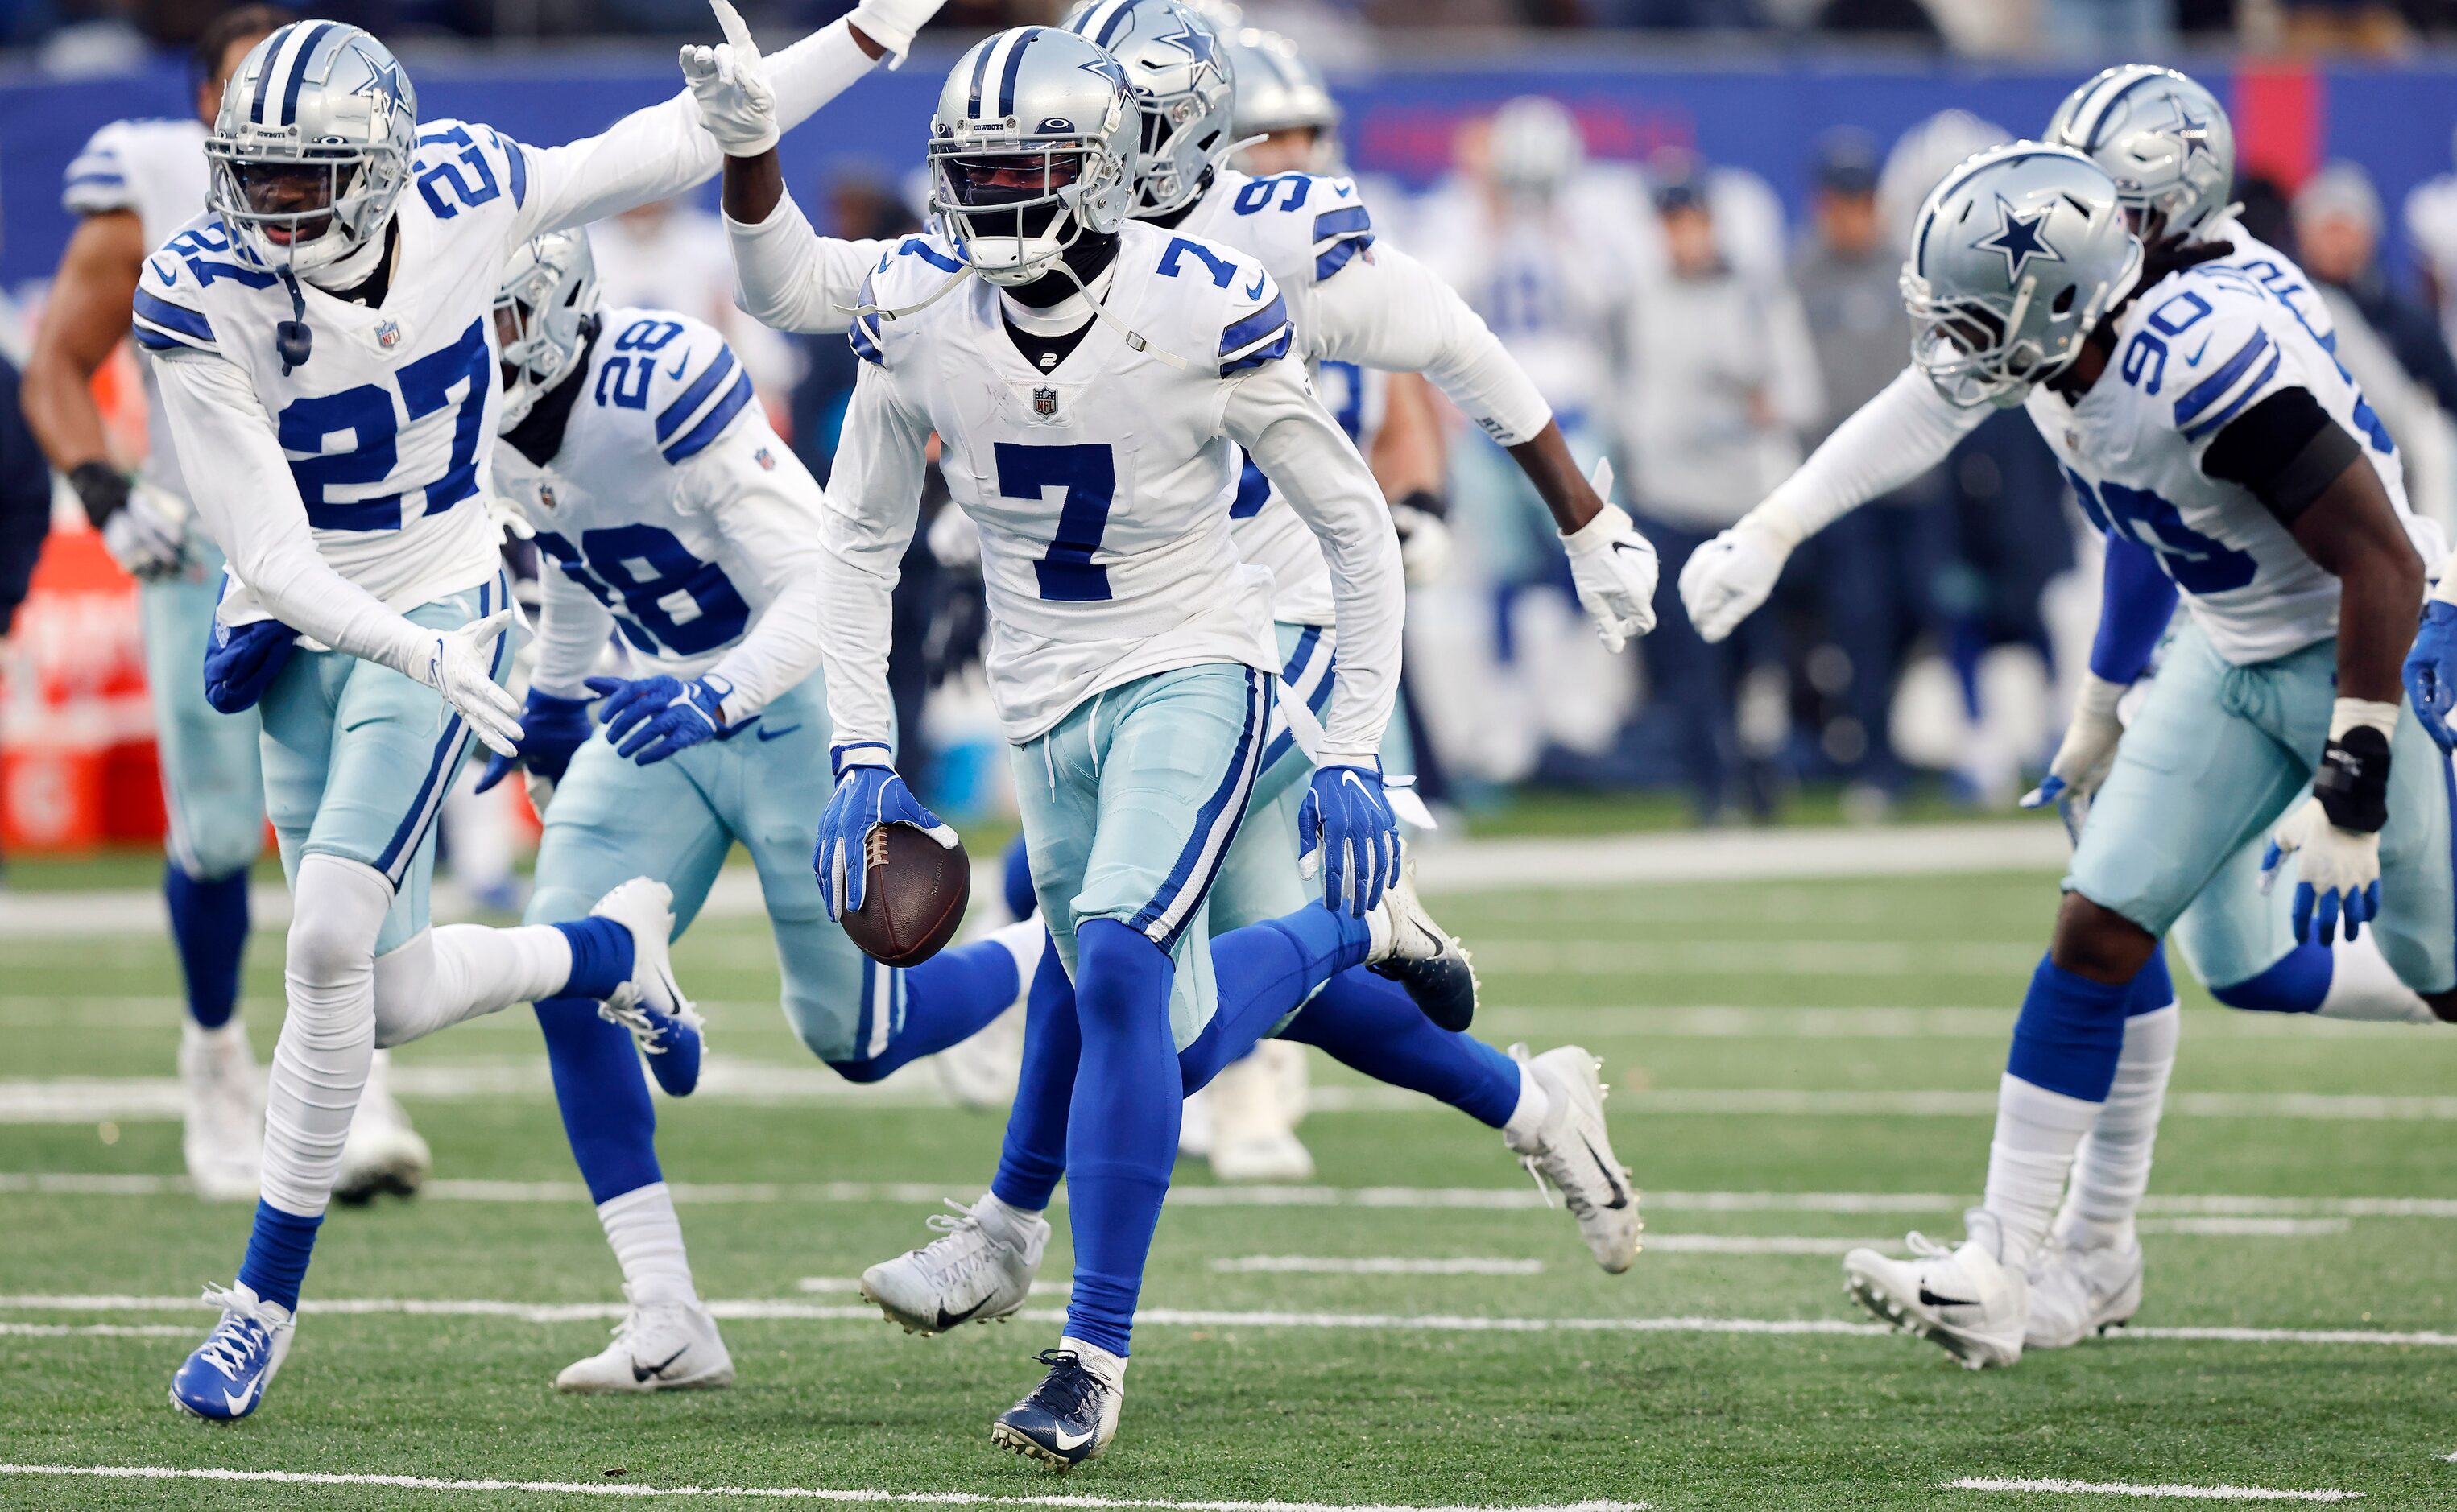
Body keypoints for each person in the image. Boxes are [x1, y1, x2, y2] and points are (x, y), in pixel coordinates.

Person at [135, 0, 945, 1420]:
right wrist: (429, 659)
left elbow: (682, 137)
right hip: (316, 623)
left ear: (382, 171)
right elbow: (269, 554)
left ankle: (258, 1307)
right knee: (371, 1001)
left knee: (323, 940)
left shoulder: (471, 193)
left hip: (447, 604)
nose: (267, 211)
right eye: (249, 176)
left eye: (298, 182)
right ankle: (597, 949)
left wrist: (865, 36)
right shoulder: (197, 290)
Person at [712, 21, 1483, 1468]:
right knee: (1160, 1023)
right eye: (973, 169)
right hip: (1044, 697)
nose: (994, 196)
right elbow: (859, 535)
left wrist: (1357, 750)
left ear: (1108, 169)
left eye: (1027, 165)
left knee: (1120, 957)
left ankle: (1091, 1348)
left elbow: (1353, 526)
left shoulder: (1199, 304)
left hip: (1202, 663)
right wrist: (860, 755)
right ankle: (1339, 934)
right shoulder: (925, 303)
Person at [866, 0, 1644, 1295]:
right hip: (1118, 632)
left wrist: (1585, 514)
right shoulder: (1019, 242)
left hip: (1255, 628)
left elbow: (1452, 340)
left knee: (1118, 965)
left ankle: (1006, 1230)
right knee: (1212, 977)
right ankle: (1528, 1099)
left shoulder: (1266, 235)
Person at [1678, 68, 2457, 1354]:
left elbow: (2379, 562)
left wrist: (2353, 778)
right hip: (2228, 643)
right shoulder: (2083, 338)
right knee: (2101, 923)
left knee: (2445, 977)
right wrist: (1772, 527)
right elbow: (2115, 501)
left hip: (2365, 646)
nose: (1957, 345)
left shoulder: (2211, 360)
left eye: (1980, 319)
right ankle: (2008, 1259)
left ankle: (2074, 1255)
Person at [473, 227, 1040, 1392]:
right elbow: (577, 554)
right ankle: (665, 1310)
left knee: (858, 1039)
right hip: (661, 701)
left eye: (496, 322)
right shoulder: (486, 422)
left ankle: (1045, 954)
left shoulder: (656, 387)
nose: (474, 350)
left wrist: (716, 690)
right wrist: (553, 702)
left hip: (786, 698)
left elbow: (827, 585)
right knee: (557, 967)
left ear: (561, 308)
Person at [20, 3, 441, 1206]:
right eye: (256, 87)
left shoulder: (400, 189)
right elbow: (58, 359)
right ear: (207, 101)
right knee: (212, 830)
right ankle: (212, 1063)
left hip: (366, 542)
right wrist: (102, 487)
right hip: (211, 543)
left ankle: (351, 1080)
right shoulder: (154, 180)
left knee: (363, 819)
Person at [1616, 162, 1819, 820]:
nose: (1681, 236)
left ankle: (1761, 780)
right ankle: (1707, 788)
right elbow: (1625, 399)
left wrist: (1749, 401)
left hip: (1741, 506)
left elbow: (1799, 394)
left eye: (1690, 221)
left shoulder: (1755, 299)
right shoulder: (1639, 302)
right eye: (1670, 223)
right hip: (1668, 502)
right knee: (1687, 658)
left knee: (1755, 660)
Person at [1791, 130, 1950, 808]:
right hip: (1841, 483)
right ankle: (1873, 762)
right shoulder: (1797, 276)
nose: (1852, 212)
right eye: (1841, 199)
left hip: (1913, 479)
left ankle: (1901, 746)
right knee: (1857, 622)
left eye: (1861, 198)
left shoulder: (1907, 270)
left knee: (1921, 610)